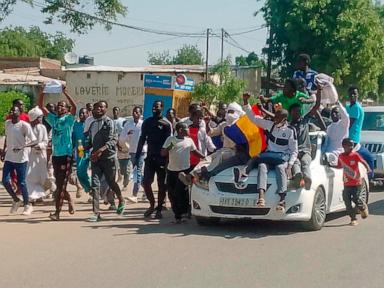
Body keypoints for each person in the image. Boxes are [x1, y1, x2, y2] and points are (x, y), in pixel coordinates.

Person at [235, 93, 298, 211]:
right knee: (262, 167)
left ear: (284, 120)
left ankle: (282, 200)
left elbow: (294, 150)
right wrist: (245, 102)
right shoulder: (271, 125)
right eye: (275, 117)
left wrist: (290, 165)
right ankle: (261, 197)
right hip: (269, 155)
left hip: (282, 157)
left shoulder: (290, 131)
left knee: (280, 169)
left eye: (278, 118)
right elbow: (253, 118)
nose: (275, 119)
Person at [38, 85, 77, 221]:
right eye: (58, 106)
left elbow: (75, 107)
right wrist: (42, 92)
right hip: (56, 156)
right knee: (59, 184)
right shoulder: (53, 119)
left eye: (63, 106)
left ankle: (57, 212)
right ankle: (69, 199)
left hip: (66, 155)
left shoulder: (68, 119)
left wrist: (65, 93)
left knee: (60, 185)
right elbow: (41, 107)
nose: (60, 108)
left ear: (66, 109)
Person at [87, 100, 126, 222]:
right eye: (96, 107)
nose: (98, 109)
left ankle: (121, 198)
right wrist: (83, 147)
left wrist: (100, 151)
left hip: (108, 159)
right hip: (96, 160)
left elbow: (112, 141)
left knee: (111, 182)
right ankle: (96, 213)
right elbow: (90, 141)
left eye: (101, 107)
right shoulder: (92, 124)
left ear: (106, 109)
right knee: (95, 185)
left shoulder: (110, 123)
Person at [161, 122, 204, 223]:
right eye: (186, 129)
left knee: (180, 193)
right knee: (171, 194)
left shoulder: (189, 141)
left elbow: (194, 151)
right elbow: (163, 153)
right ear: (180, 130)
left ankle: (184, 212)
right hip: (172, 171)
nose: (188, 130)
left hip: (184, 172)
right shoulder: (171, 139)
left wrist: (204, 157)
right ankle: (177, 216)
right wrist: (171, 146)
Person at [136, 100, 171, 219]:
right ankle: (152, 205)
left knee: (162, 185)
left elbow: (169, 143)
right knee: (146, 182)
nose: (155, 109)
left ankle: (159, 209)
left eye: (157, 107)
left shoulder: (166, 124)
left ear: (162, 108)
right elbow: (142, 139)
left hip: (162, 158)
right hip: (150, 157)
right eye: (153, 107)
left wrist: (167, 160)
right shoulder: (147, 122)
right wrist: (137, 155)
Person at [1, 106, 37, 215]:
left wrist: (22, 147)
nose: (12, 112)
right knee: (5, 181)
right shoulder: (7, 123)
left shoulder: (24, 125)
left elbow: (34, 141)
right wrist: (4, 150)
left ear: (19, 113)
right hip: (9, 157)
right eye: (11, 110)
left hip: (21, 158)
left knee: (21, 182)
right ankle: (16, 200)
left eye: (14, 110)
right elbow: (7, 137)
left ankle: (27, 205)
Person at [290, 83, 323, 189]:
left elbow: (316, 105)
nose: (298, 114)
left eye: (299, 112)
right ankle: (298, 177)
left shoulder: (304, 120)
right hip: (294, 153)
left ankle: (307, 179)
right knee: (295, 163)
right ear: (291, 114)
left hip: (305, 152)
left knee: (305, 162)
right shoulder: (288, 126)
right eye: (295, 112)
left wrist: (319, 90)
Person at [333, 138, 370, 226]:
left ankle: (362, 207)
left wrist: (368, 168)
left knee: (356, 198)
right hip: (346, 183)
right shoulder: (341, 156)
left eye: (352, 146)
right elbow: (339, 166)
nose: (351, 148)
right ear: (343, 146)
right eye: (349, 146)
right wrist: (331, 165)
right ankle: (353, 218)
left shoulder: (355, 155)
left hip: (357, 182)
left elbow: (363, 161)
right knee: (347, 201)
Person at [345, 86, 374, 179]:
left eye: (355, 93)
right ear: (348, 95)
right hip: (353, 140)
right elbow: (350, 123)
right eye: (351, 93)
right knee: (369, 158)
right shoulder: (356, 107)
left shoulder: (348, 107)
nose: (353, 95)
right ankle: (369, 179)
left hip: (349, 138)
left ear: (358, 95)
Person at [119, 106, 147, 203]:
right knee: (135, 173)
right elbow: (122, 138)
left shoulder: (143, 124)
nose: (135, 113)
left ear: (140, 114)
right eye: (134, 112)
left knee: (137, 172)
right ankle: (147, 189)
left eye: (138, 112)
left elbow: (147, 138)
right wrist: (128, 135)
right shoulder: (128, 124)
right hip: (132, 151)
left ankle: (134, 195)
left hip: (142, 151)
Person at [26, 106, 50, 202]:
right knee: (29, 175)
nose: (40, 119)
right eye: (39, 117)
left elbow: (45, 141)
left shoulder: (42, 127)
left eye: (41, 117)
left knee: (41, 176)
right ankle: (31, 195)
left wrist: (39, 145)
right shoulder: (26, 127)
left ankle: (39, 195)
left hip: (40, 156)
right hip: (29, 155)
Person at [72, 108, 91, 197]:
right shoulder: (76, 125)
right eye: (80, 113)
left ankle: (94, 190)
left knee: (90, 172)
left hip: (90, 151)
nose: (82, 115)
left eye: (84, 113)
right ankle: (90, 188)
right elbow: (73, 138)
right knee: (80, 173)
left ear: (88, 114)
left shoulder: (91, 124)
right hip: (80, 152)